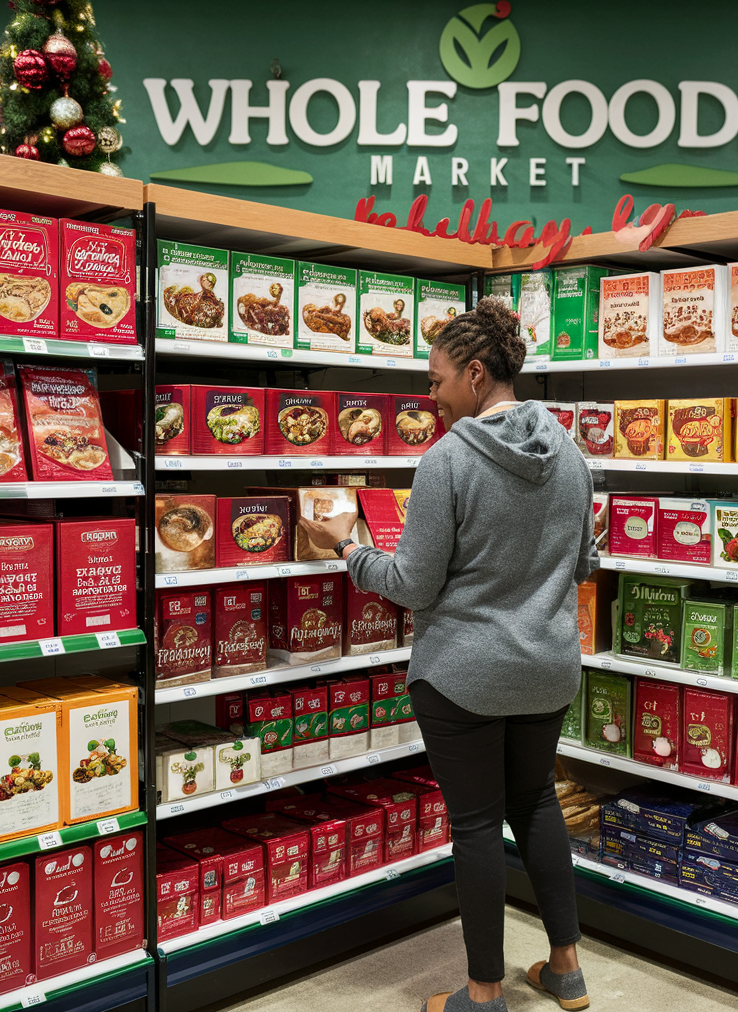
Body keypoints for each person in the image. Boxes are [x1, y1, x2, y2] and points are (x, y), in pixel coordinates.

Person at [304, 296, 599, 1012]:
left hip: (464, 674)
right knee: (535, 807)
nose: (429, 398)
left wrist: (345, 546)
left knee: (474, 825)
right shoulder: (571, 451)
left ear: (474, 373)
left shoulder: (447, 461)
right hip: (549, 668)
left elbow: (410, 584)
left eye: (435, 382)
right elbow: (585, 565)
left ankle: (483, 994)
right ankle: (565, 970)